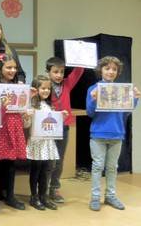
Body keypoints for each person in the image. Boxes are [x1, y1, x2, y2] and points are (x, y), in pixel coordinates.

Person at [86, 56, 140, 211]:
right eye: (107, 68)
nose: (111, 72)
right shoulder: (93, 89)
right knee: (97, 167)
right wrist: (93, 99)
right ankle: (95, 198)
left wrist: (135, 99)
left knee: (112, 167)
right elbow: (90, 113)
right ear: (100, 70)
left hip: (117, 134)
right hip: (98, 134)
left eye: (114, 69)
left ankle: (110, 196)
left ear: (118, 72)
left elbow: (125, 113)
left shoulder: (121, 90)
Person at [0, 54, 27, 213]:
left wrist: (29, 97)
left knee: (10, 163)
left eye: (14, 68)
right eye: (9, 67)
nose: (13, 70)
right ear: (0, 68)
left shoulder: (18, 86)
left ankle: (9, 195)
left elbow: (22, 105)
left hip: (14, 125)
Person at [46, 57, 84, 203]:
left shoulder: (67, 84)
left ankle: (54, 188)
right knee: (48, 160)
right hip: (47, 128)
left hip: (64, 127)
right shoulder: (44, 84)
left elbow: (78, 71)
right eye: (55, 72)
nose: (59, 75)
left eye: (61, 72)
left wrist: (79, 54)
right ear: (48, 72)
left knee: (59, 160)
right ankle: (42, 188)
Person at [25, 75, 59, 211]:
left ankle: (43, 196)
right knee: (36, 170)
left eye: (48, 88)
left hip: (48, 143)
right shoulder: (31, 105)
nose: (46, 91)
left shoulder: (49, 105)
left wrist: (59, 116)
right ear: (36, 89)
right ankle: (34, 197)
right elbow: (26, 125)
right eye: (43, 88)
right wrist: (27, 116)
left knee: (46, 171)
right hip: (36, 142)